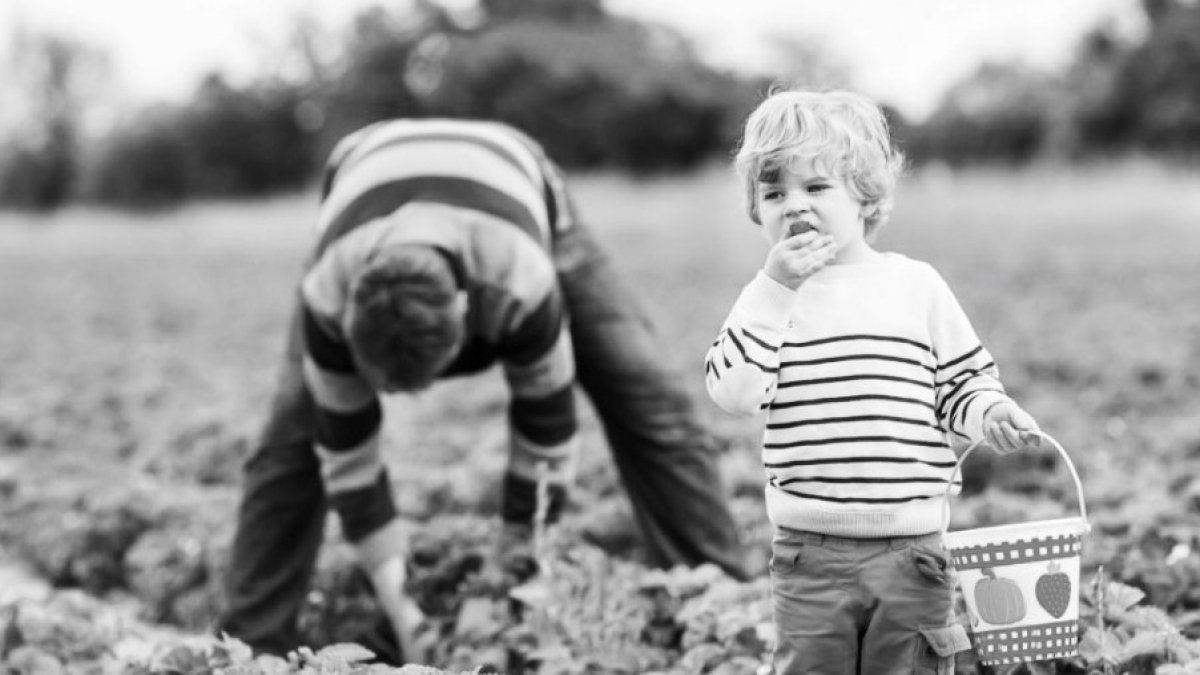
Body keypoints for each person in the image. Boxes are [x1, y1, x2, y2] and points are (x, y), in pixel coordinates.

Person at [220, 118, 747, 661]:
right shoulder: (328, 297)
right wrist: (404, 612)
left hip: (520, 187)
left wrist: (511, 567)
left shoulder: (520, 276)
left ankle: (717, 610)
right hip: (360, 188)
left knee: (649, 397)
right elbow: (347, 457)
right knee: (292, 437)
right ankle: (248, 649)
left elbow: (546, 428)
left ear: (468, 313)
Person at [704, 88, 1043, 674]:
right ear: (756, 209)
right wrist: (773, 290)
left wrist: (989, 412)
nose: (794, 206)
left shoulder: (916, 287)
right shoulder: (767, 300)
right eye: (774, 192)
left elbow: (961, 382)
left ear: (864, 196)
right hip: (808, 553)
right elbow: (733, 392)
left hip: (911, 550)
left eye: (816, 188)